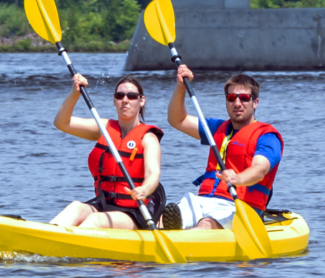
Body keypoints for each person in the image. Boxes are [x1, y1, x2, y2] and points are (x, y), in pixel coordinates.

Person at [159, 65, 282, 231]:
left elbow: (260, 169)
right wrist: (181, 87)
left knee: (206, 223)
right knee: (162, 220)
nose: (237, 103)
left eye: (244, 98)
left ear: (255, 102)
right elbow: (177, 120)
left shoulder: (267, 136)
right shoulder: (216, 128)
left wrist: (238, 179)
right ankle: (161, 233)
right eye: (231, 98)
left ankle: (185, 243)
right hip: (203, 200)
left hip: (239, 206)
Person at [48, 74, 167, 230]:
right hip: (105, 204)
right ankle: (39, 239)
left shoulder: (148, 138)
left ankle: (65, 248)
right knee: (76, 207)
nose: (125, 100)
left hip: (135, 211)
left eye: (131, 96)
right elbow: (62, 123)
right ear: (114, 100)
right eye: (120, 95)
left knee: (96, 220)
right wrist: (75, 93)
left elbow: (153, 174)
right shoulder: (104, 128)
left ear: (141, 101)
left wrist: (144, 190)